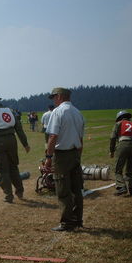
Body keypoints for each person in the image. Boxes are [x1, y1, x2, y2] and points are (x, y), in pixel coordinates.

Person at [44, 87, 85, 231]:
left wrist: (48, 157)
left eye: (54, 97)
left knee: (62, 189)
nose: (53, 100)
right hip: (75, 153)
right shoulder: (78, 113)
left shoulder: (58, 112)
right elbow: (80, 139)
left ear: (60, 97)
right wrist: (78, 156)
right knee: (76, 189)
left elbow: (53, 136)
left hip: (62, 155)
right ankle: (78, 219)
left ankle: (67, 222)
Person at [0, 90, 30, 203]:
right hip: (12, 141)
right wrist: (25, 144)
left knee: (3, 170)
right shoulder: (11, 111)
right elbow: (19, 129)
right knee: (13, 167)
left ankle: (8, 196)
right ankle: (20, 191)